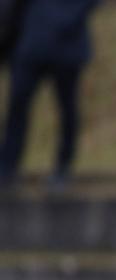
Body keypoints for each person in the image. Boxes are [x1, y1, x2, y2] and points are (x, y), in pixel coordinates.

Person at [0, 0, 99, 189]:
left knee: (67, 109)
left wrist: (65, 20)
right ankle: (6, 167)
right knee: (17, 106)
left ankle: (63, 167)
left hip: (67, 46)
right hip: (30, 44)